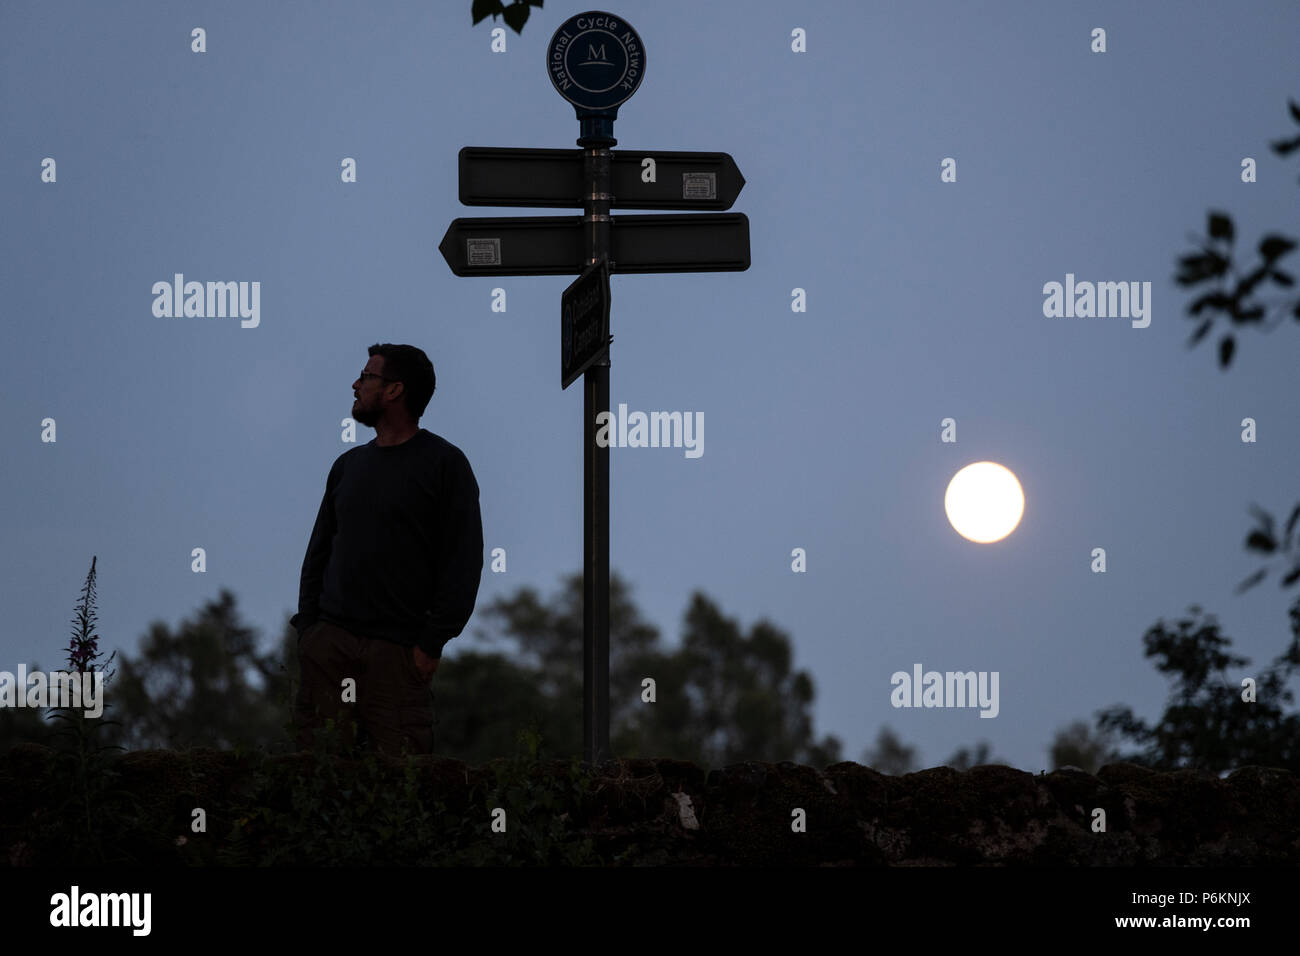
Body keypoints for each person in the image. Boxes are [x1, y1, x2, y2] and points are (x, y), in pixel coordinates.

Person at [290, 343, 484, 756]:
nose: (355, 385)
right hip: (330, 649)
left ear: (395, 391)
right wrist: (310, 632)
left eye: (367, 377)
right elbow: (318, 553)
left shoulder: (446, 465)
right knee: (315, 779)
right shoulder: (348, 466)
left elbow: (463, 563)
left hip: (398, 656)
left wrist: (430, 644)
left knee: (402, 789)